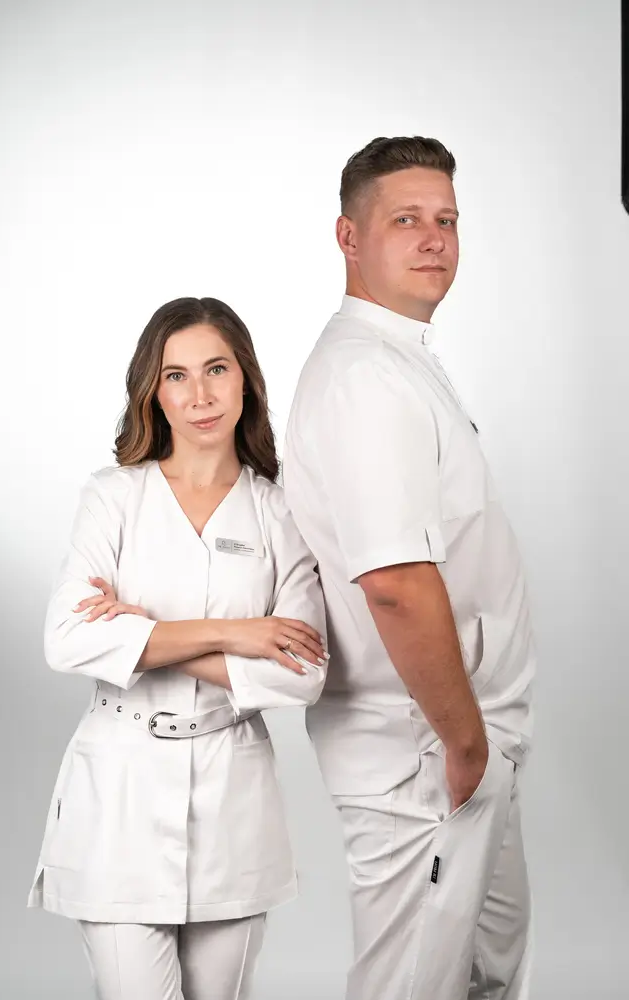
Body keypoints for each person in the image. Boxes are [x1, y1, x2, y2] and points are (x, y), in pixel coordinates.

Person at [283, 137, 535, 1000]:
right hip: (424, 750)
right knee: (413, 987)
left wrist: (478, 745)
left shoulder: (398, 359)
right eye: (405, 221)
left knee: (483, 976)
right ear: (348, 237)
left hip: (461, 742)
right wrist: (463, 746)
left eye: (446, 220)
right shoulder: (364, 377)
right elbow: (392, 581)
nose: (433, 239)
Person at [28, 296, 328, 1000]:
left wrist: (142, 635)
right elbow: (67, 638)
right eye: (176, 376)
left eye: (216, 369)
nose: (200, 395)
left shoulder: (281, 509)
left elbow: (303, 672)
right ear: (153, 393)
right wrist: (235, 632)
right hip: (119, 791)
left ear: (245, 379)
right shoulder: (113, 498)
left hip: (233, 793)